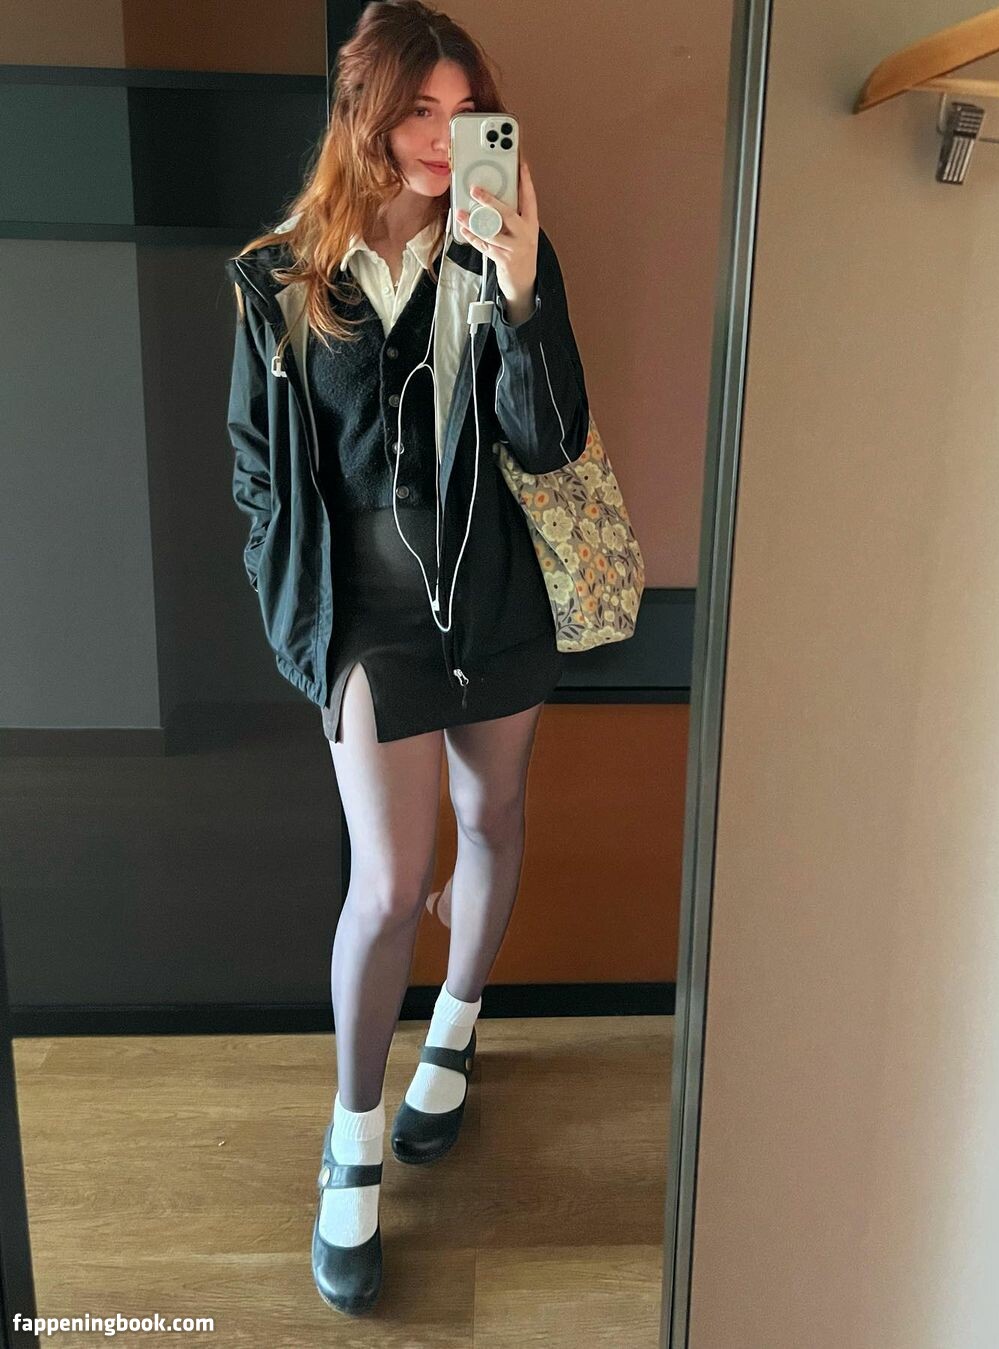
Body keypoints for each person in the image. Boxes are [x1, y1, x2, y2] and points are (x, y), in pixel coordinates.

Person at [223, 0, 590, 1317]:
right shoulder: (282, 278)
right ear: (366, 117)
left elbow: (550, 441)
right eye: (419, 111)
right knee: (386, 886)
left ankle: (459, 1024)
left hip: (493, 600)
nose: (444, 138)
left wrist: (523, 287)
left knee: (491, 815)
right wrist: (295, 618)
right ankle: (354, 1132)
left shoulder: (499, 250)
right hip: (366, 619)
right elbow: (258, 472)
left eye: (467, 111)